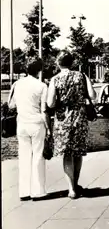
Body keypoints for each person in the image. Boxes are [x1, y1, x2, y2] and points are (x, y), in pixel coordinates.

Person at [46, 51, 96, 199]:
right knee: (78, 152)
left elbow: (50, 103)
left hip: (63, 120)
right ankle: (76, 184)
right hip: (79, 118)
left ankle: (71, 189)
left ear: (58, 63)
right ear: (72, 62)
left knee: (67, 154)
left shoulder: (55, 79)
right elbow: (93, 95)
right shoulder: (81, 76)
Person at [8, 59, 50, 201]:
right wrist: (49, 128)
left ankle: (24, 191)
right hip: (37, 123)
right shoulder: (42, 86)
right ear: (39, 70)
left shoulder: (17, 84)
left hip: (22, 124)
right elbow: (44, 110)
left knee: (24, 156)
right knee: (38, 155)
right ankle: (38, 191)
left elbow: (11, 105)